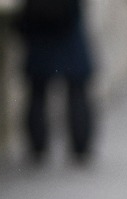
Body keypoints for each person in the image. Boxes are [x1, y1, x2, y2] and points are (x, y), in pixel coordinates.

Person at [17, 0, 95, 165]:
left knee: (37, 92)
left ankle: (37, 148)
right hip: (69, 30)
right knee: (77, 91)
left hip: (40, 33)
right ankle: (80, 148)